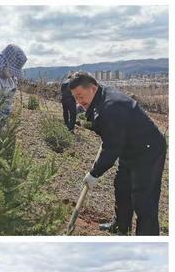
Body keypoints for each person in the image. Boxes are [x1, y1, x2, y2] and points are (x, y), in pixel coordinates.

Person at [69, 71, 166, 235]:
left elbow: (112, 147)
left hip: (148, 150)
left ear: (92, 88)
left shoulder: (111, 106)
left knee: (144, 200)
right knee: (122, 186)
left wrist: (94, 173)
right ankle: (121, 226)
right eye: (75, 97)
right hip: (129, 146)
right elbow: (109, 133)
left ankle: (146, 236)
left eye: (80, 96)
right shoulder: (100, 95)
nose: (79, 101)